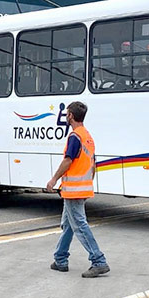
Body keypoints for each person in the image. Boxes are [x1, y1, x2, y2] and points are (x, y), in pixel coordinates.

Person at [46, 101, 109, 278]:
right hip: (81, 188)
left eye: (67, 114)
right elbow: (93, 165)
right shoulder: (87, 136)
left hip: (74, 190)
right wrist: (87, 185)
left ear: (71, 116)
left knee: (79, 225)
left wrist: (53, 179)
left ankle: (99, 261)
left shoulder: (75, 137)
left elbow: (68, 160)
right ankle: (60, 259)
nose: (66, 117)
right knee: (68, 225)